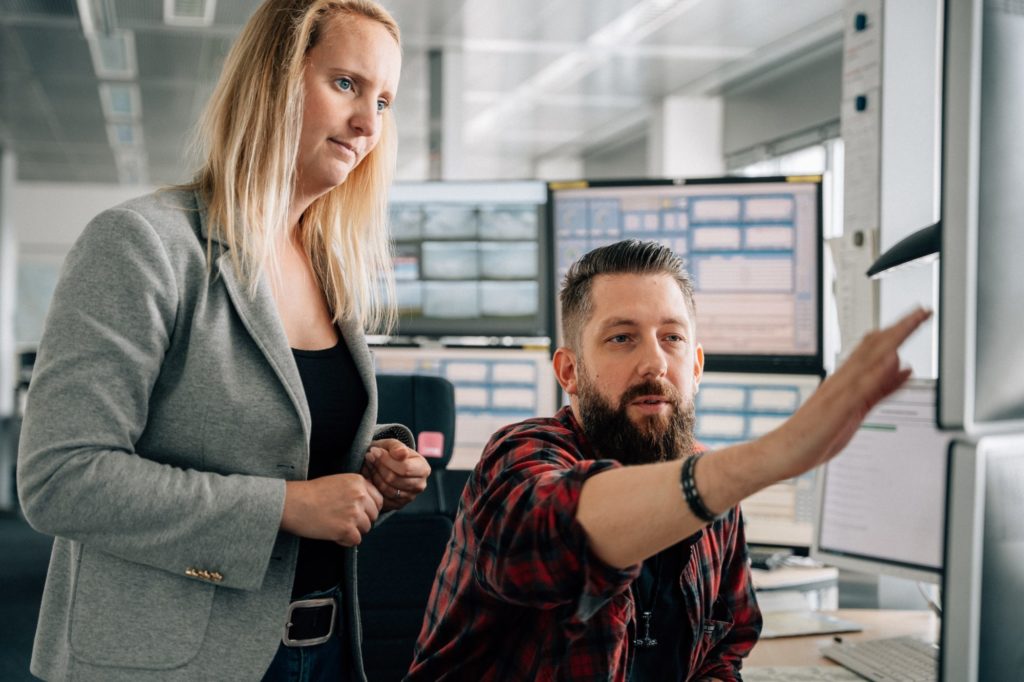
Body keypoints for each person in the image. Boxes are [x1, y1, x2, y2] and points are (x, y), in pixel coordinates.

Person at [16, 1, 431, 680]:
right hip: (174, 659)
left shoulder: (326, 264)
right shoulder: (143, 245)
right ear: (272, 80)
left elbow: (263, 430)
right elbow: (59, 477)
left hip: (325, 647)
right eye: (347, 85)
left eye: (384, 101)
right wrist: (287, 506)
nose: (367, 123)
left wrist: (373, 466)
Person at [407, 240, 931, 681]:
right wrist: (771, 457)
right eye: (621, 338)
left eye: (672, 338)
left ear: (696, 365)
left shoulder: (715, 496)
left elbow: (724, 650)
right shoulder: (519, 457)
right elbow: (546, 533)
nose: (654, 361)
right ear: (569, 372)